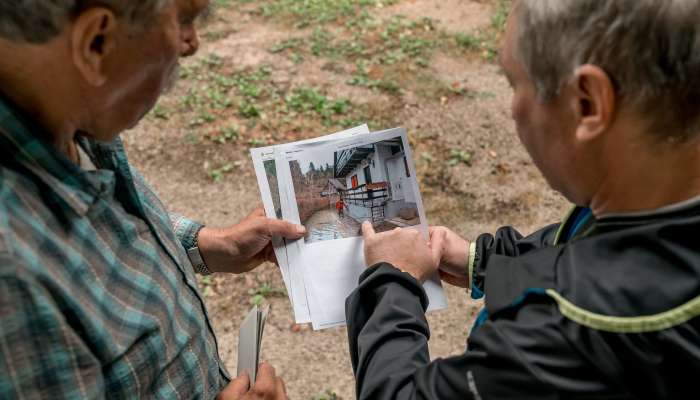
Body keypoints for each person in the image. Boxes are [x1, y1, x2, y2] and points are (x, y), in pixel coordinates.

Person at [346, 0, 700, 398]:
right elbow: (583, 246)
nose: (514, 111)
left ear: (588, 103)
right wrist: (484, 261)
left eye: (516, 84)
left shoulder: (563, 335)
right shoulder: (655, 199)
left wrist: (393, 282)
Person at [0, 1, 303, 399]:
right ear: (96, 42)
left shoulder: (67, 115)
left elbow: (99, 234)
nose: (190, 44)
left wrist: (208, 245)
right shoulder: (13, 283)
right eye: (185, 19)